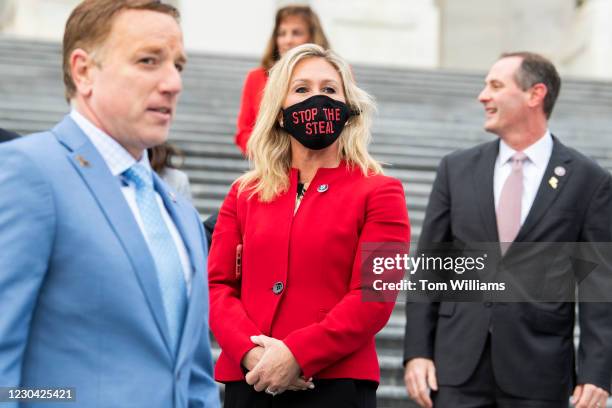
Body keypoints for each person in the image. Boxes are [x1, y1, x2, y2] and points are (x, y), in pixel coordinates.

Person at [0, 1, 219, 407]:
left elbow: (193, 377)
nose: (173, 83)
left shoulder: (180, 213)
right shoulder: (29, 172)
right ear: (84, 71)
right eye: (149, 61)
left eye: (179, 65)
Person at [403, 52, 612, 408]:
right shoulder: (456, 169)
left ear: (535, 94)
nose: (482, 96)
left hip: (539, 370)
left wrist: (597, 371)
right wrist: (417, 352)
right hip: (455, 368)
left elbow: (600, 284)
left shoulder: (588, 180)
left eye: (496, 86)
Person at [209, 43, 410, 407]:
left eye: (330, 90)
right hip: (250, 381)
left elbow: (375, 294)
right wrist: (250, 352)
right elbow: (218, 286)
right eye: (301, 89)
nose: (317, 100)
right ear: (280, 112)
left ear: (348, 110)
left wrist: (298, 354)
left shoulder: (382, 191)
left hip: (336, 385)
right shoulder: (244, 193)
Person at [233, 4, 329, 155]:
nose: (287, 40)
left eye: (296, 33)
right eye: (281, 33)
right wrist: (269, 152)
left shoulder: (334, 75)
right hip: (271, 167)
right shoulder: (256, 77)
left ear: (312, 36)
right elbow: (243, 132)